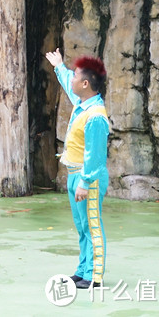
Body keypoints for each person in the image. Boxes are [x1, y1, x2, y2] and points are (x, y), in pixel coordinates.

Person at [45, 48, 109, 289]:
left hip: (87, 178)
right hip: (74, 174)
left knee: (93, 225)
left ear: (84, 83)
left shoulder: (95, 115)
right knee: (82, 227)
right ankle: (83, 270)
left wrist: (85, 182)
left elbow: (96, 155)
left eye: (75, 76)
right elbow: (67, 81)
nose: (70, 79)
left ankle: (94, 276)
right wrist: (59, 67)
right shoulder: (82, 103)